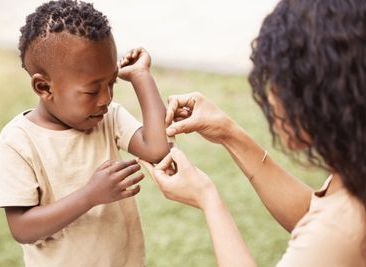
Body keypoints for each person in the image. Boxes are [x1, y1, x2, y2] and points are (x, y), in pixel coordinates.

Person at [141, 0, 366, 266]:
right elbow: (313, 215)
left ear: (318, 95)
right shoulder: (352, 179)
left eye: (277, 83)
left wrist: (207, 197)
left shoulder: (341, 229)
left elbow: (328, 233)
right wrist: (228, 132)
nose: (270, 98)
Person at [0, 0, 169, 266]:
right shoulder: (17, 143)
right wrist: (89, 196)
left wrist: (141, 76)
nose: (105, 99)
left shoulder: (108, 119)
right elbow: (22, 229)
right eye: (91, 90)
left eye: (111, 83)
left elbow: (157, 149)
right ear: (44, 87)